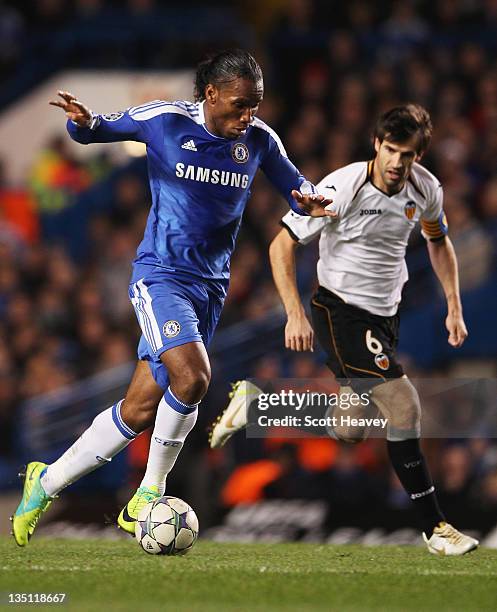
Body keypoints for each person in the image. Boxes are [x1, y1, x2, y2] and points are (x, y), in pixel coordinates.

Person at [11, 49, 333, 546]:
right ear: (210, 95)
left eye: (255, 105)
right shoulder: (164, 121)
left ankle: (45, 482)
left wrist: (308, 197)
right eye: (240, 105)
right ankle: (148, 493)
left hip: (211, 287)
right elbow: (96, 129)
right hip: (161, 275)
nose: (248, 115)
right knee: (194, 376)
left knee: (139, 409)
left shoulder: (259, 140)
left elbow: (294, 183)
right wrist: (82, 122)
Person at [210, 104, 479, 556]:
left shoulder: (426, 190)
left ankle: (260, 404)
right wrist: (294, 313)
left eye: (406, 154)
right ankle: (436, 528)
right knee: (404, 405)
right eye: (390, 149)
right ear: (376, 145)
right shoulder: (341, 187)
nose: (396, 162)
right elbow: (281, 245)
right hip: (339, 309)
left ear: (419, 155)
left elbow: (439, 242)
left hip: (384, 316)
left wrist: (454, 305)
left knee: (351, 430)